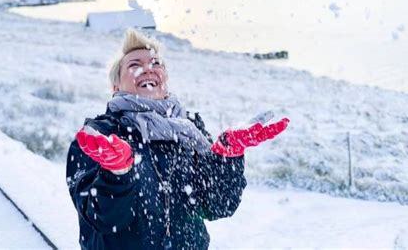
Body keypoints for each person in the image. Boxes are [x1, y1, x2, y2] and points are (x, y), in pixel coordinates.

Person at [66, 29, 289, 250]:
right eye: (134, 65)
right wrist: (116, 174)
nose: (147, 69)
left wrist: (228, 156)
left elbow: (218, 206)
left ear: (165, 79)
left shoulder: (189, 131)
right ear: (115, 87)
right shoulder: (98, 137)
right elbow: (103, 220)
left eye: (156, 64)